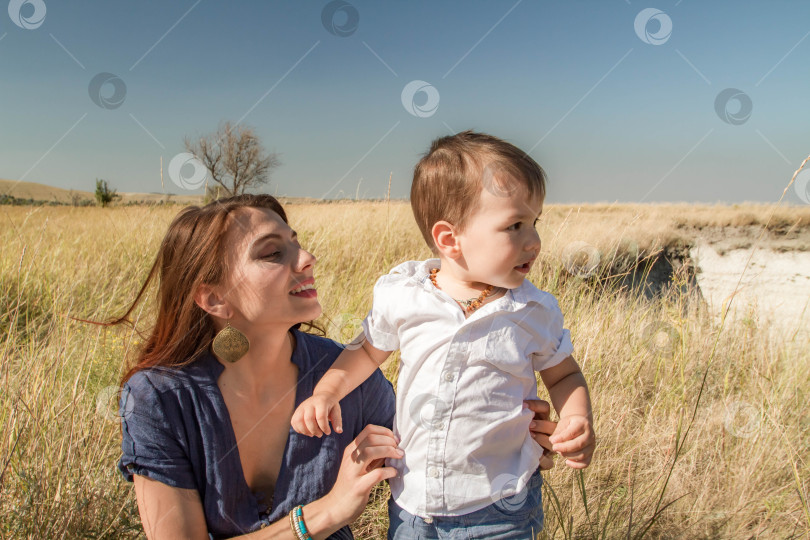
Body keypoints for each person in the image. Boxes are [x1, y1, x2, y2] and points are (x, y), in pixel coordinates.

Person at [93, 194, 558, 539]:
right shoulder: (160, 398)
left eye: (298, 244)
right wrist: (327, 512)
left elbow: (437, 448)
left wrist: (509, 433)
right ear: (214, 298)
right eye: (274, 253)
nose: (307, 258)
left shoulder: (345, 378)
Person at [292, 132, 596, 539]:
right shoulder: (405, 294)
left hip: (501, 507)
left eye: (535, 222)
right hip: (414, 504)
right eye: (515, 226)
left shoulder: (533, 310)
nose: (535, 242)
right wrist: (326, 393)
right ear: (450, 240)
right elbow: (365, 352)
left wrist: (576, 419)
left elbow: (564, 376)